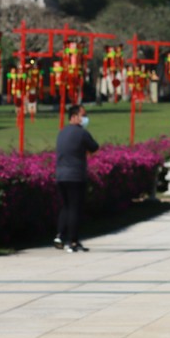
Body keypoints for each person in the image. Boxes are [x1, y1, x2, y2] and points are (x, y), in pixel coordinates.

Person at [55, 104, 99, 253]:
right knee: (75, 208)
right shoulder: (81, 133)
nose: (85, 118)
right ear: (74, 117)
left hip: (60, 175)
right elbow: (94, 147)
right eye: (83, 115)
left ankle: (60, 236)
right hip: (75, 176)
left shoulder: (62, 132)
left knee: (66, 206)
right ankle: (73, 241)